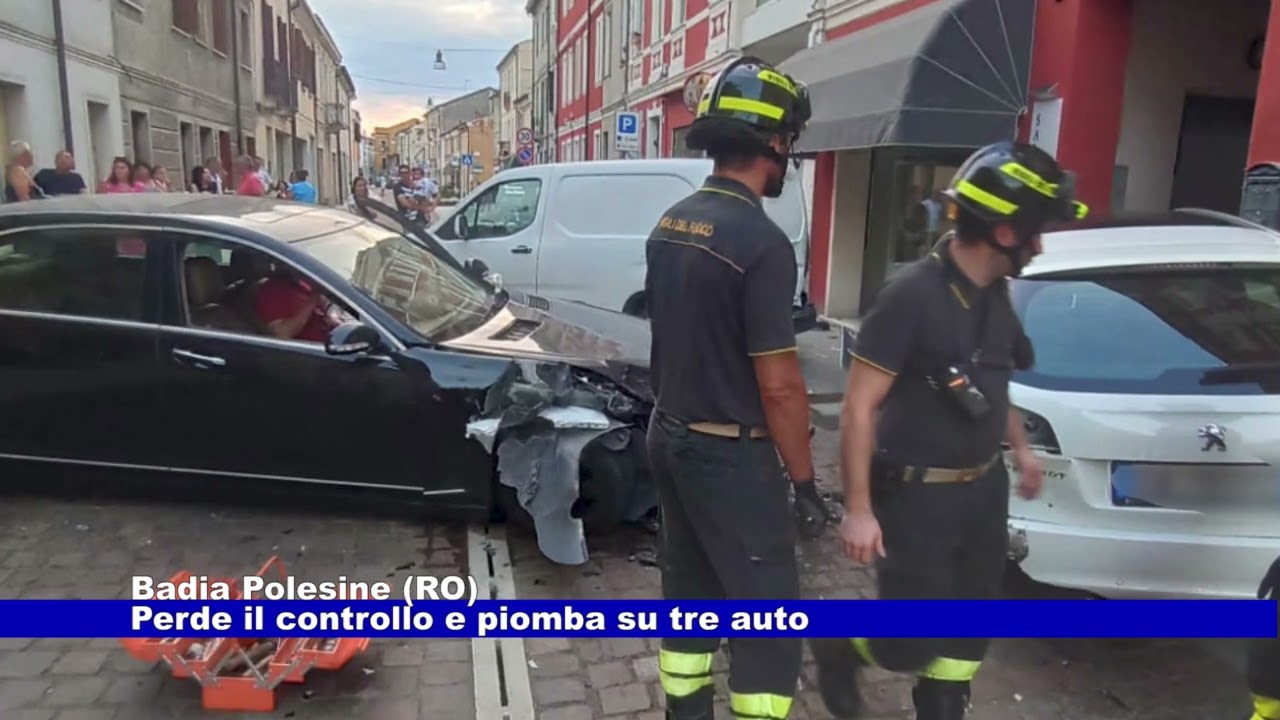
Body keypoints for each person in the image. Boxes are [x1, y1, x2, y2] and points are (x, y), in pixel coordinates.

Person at [811, 141, 1089, 720]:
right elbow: (860, 407)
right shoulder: (909, 296)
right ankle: (842, 648)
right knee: (908, 639)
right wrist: (858, 509)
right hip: (917, 497)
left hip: (982, 492)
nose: (1041, 245)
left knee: (968, 629)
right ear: (1006, 232)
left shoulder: (996, 295)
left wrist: (1019, 448)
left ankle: (942, 705)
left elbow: (991, 384)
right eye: (1036, 231)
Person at [643, 56, 826, 720]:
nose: (789, 159)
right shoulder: (764, 243)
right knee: (770, 626)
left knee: (689, 597)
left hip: (670, 435)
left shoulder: (670, 222)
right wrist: (804, 484)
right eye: (789, 145)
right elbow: (779, 387)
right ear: (773, 143)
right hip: (731, 457)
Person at [254, 263, 337, 342]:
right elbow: (283, 334)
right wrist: (314, 297)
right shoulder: (272, 291)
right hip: (313, 351)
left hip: (334, 337)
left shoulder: (302, 284)